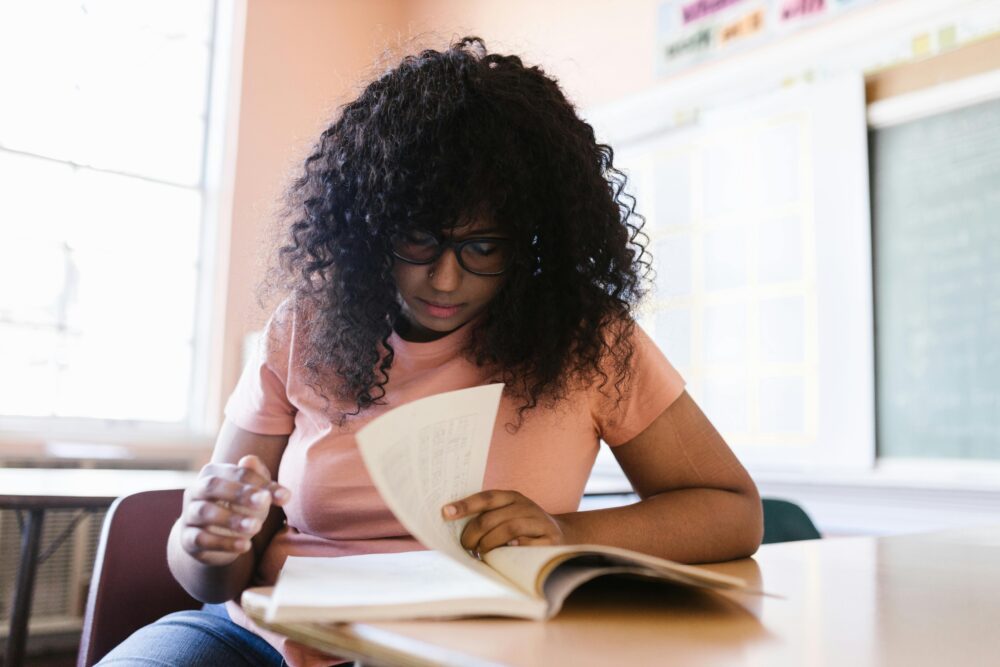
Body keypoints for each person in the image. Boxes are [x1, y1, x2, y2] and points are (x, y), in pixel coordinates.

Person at [98, 37, 762, 667]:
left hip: (468, 644)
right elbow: (214, 576)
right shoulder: (305, 326)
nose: (445, 279)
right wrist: (209, 538)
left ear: (533, 239)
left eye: (484, 246)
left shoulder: (587, 337)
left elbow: (732, 509)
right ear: (372, 224)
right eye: (419, 238)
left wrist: (565, 533)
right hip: (266, 633)